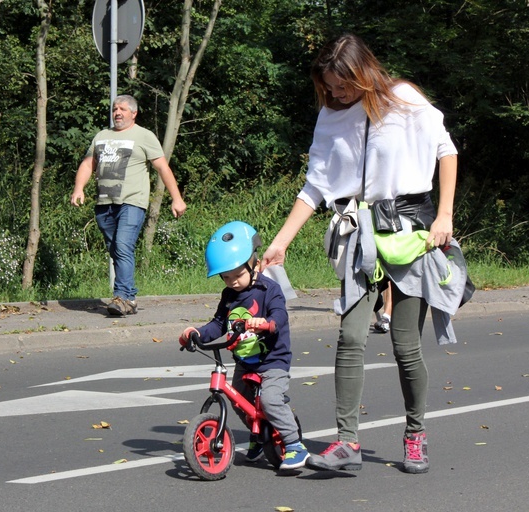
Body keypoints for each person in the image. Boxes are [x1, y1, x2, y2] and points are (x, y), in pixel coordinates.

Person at [260, 33, 459, 474]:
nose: (336, 93)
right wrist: (281, 242)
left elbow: (446, 150)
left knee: (405, 345)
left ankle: (415, 434)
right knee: (351, 336)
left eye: (343, 85)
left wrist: (444, 215)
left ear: (363, 72)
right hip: (358, 234)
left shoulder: (403, 100)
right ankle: (347, 441)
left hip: (411, 232)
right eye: (329, 87)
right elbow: (315, 185)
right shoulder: (329, 117)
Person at [179, 221, 310, 471]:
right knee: (239, 400)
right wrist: (197, 333)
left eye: (237, 275)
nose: (232, 282)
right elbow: (218, 324)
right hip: (245, 361)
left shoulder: (268, 290)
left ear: (255, 264)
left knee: (271, 400)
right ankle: (258, 434)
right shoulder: (228, 296)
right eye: (226, 277)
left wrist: (266, 323)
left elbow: (280, 315)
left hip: (272, 360)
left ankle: (294, 445)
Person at [70, 95, 186, 316]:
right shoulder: (102, 136)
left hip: (132, 202)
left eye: (122, 109)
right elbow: (88, 164)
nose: (117, 113)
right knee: (116, 250)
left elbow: (162, 168)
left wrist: (177, 198)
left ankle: (122, 297)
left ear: (134, 113)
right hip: (104, 203)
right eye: (115, 109)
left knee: (123, 245)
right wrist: (79, 188)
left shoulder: (144, 136)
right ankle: (130, 298)